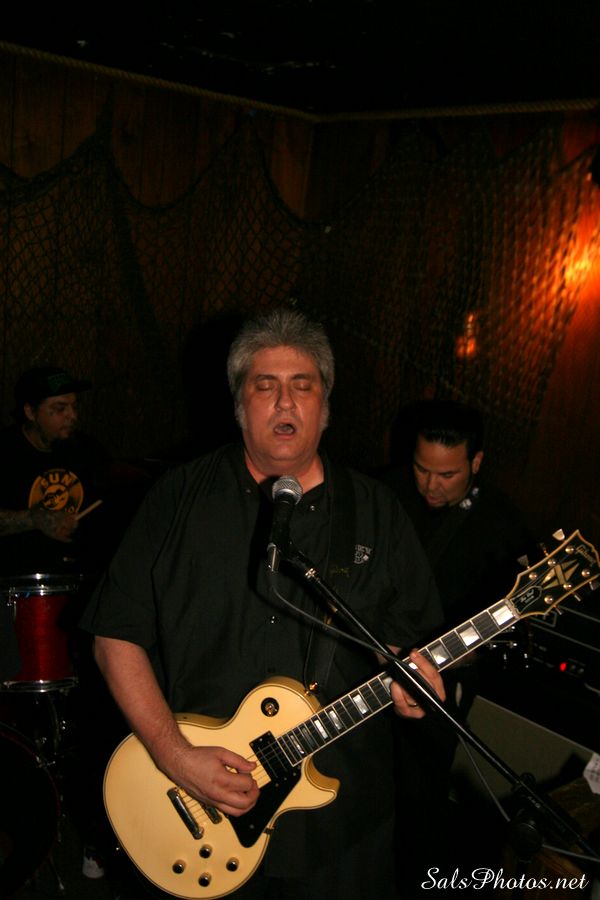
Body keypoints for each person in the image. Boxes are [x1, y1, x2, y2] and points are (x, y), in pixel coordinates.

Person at [80, 307, 445, 899]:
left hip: (341, 828)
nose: (285, 402)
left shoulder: (378, 511)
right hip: (197, 809)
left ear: (325, 407)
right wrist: (174, 755)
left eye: (304, 386)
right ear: (238, 405)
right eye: (265, 386)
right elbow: (115, 635)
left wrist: (413, 676)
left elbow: (414, 638)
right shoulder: (177, 498)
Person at [380, 398, 538, 891]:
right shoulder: (385, 493)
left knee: (416, 800)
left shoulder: (503, 526)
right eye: (421, 468)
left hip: (439, 685)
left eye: (447, 474)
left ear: (476, 462)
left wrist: (465, 652)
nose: (430, 485)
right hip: (367, 665)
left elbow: (516, 626)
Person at [0, 366, 109, 578]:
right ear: (30, 412)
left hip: (77, 575)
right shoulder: (6, 451)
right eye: (60, 408)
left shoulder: (86, 450)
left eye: (74, 406)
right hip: (18, 579)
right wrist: (34, 519)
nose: (72, 415)